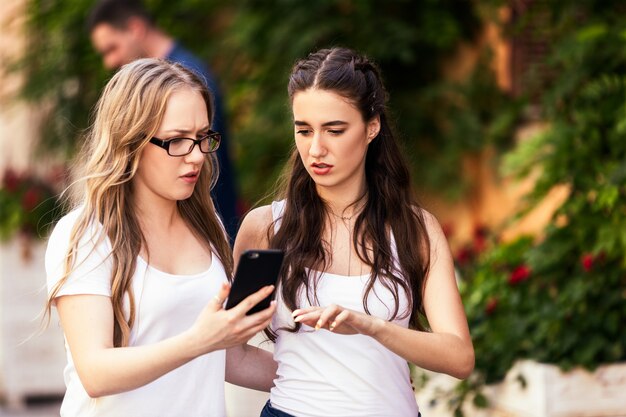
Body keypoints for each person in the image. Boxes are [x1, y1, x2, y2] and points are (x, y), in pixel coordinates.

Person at [234, 47, 475, 417]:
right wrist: (315, 378)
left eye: (335, 130)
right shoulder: (265, 228)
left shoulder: (415, 229)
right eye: (304, 130)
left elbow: (459, 358)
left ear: (372, 127)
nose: (316, 149)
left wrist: (372, 327)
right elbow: (229, 353)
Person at [44, 58, 277, 417]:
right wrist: (199, 341)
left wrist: (323, 376)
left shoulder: (205, 223)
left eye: (202, 137)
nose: (197, 155)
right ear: (130, 141)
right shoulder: (85, 235)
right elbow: (95, 372)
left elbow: (228, 356)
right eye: (177, 140)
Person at [87, 0, 240, 241]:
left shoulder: (187, 80)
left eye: (112, 48)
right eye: (177, 139)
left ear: (136, 28)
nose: (109, 62)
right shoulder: (90, 235)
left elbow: (209, 177)